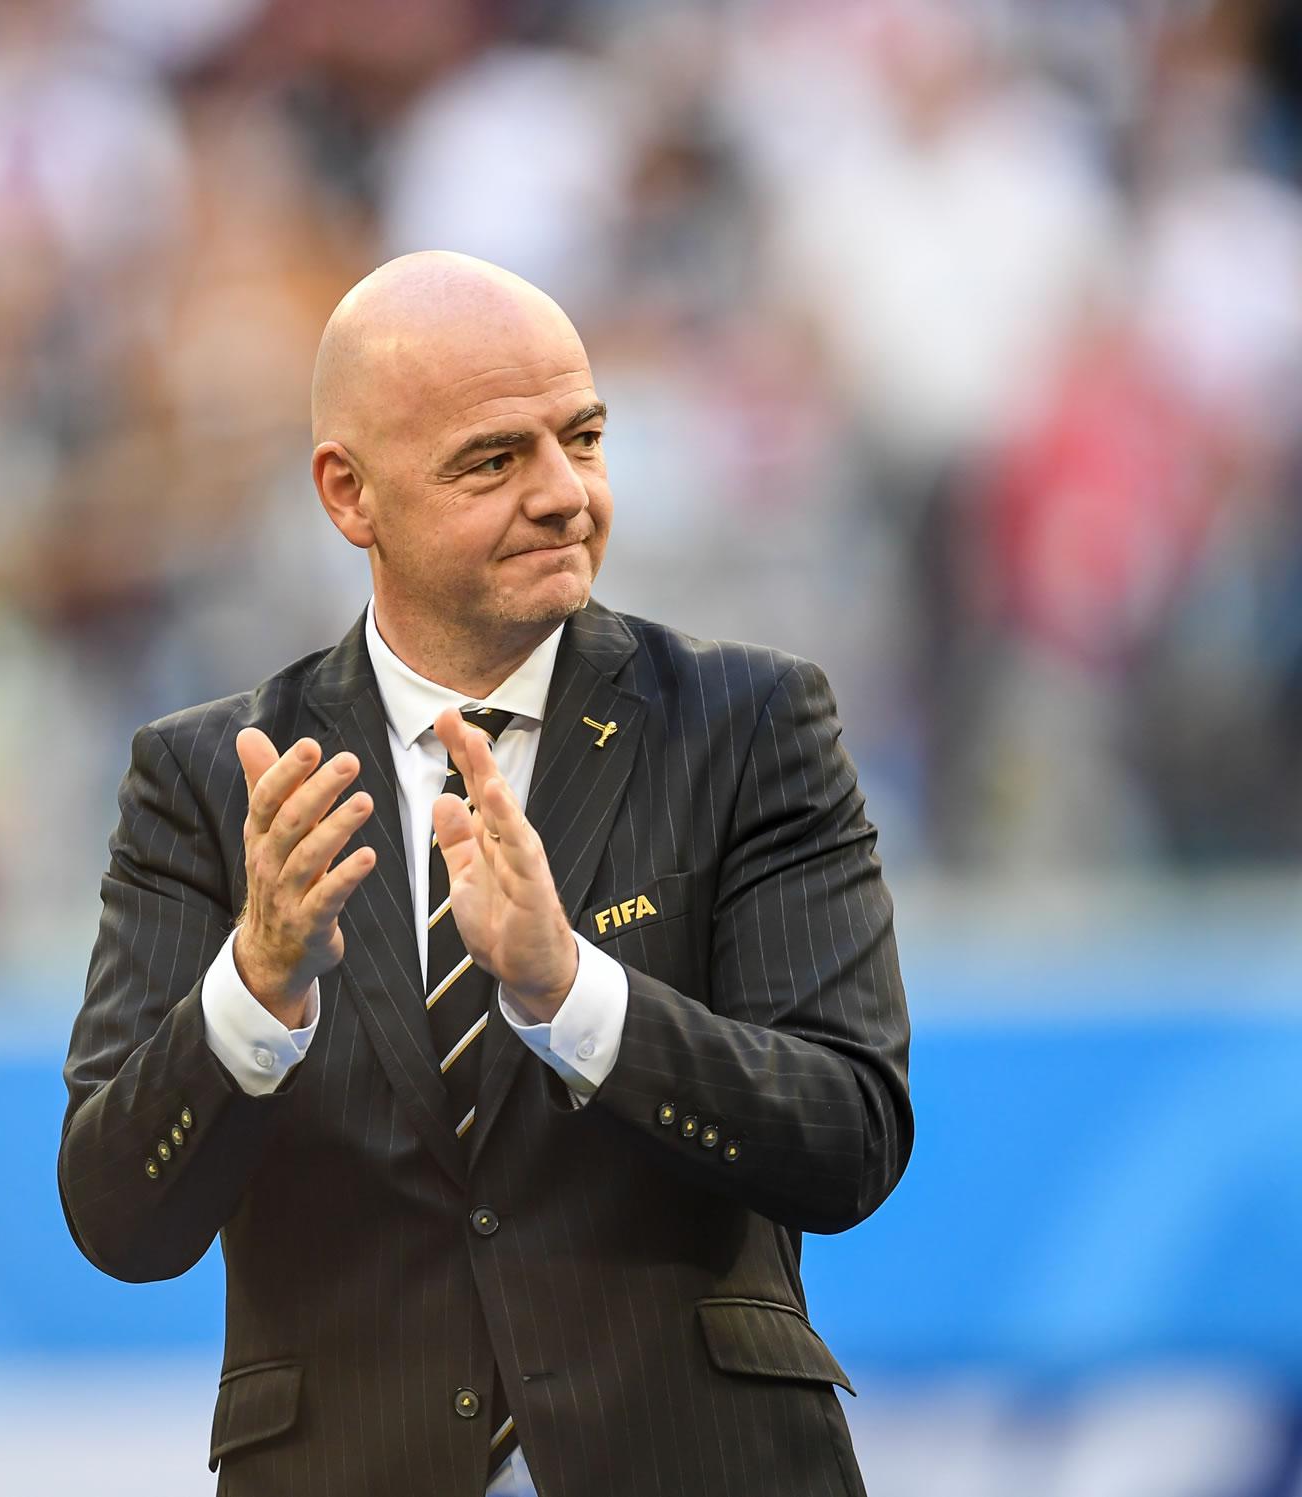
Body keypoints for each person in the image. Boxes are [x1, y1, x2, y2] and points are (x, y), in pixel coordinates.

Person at [58, 251, 912, 1497]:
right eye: (495, 460)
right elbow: (118, 1218)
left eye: (585, 438)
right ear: (350, 495)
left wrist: (575, 994)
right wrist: (253, 989)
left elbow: (849, 1136)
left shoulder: (749, 722)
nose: (565, 494)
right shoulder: (210, 781)